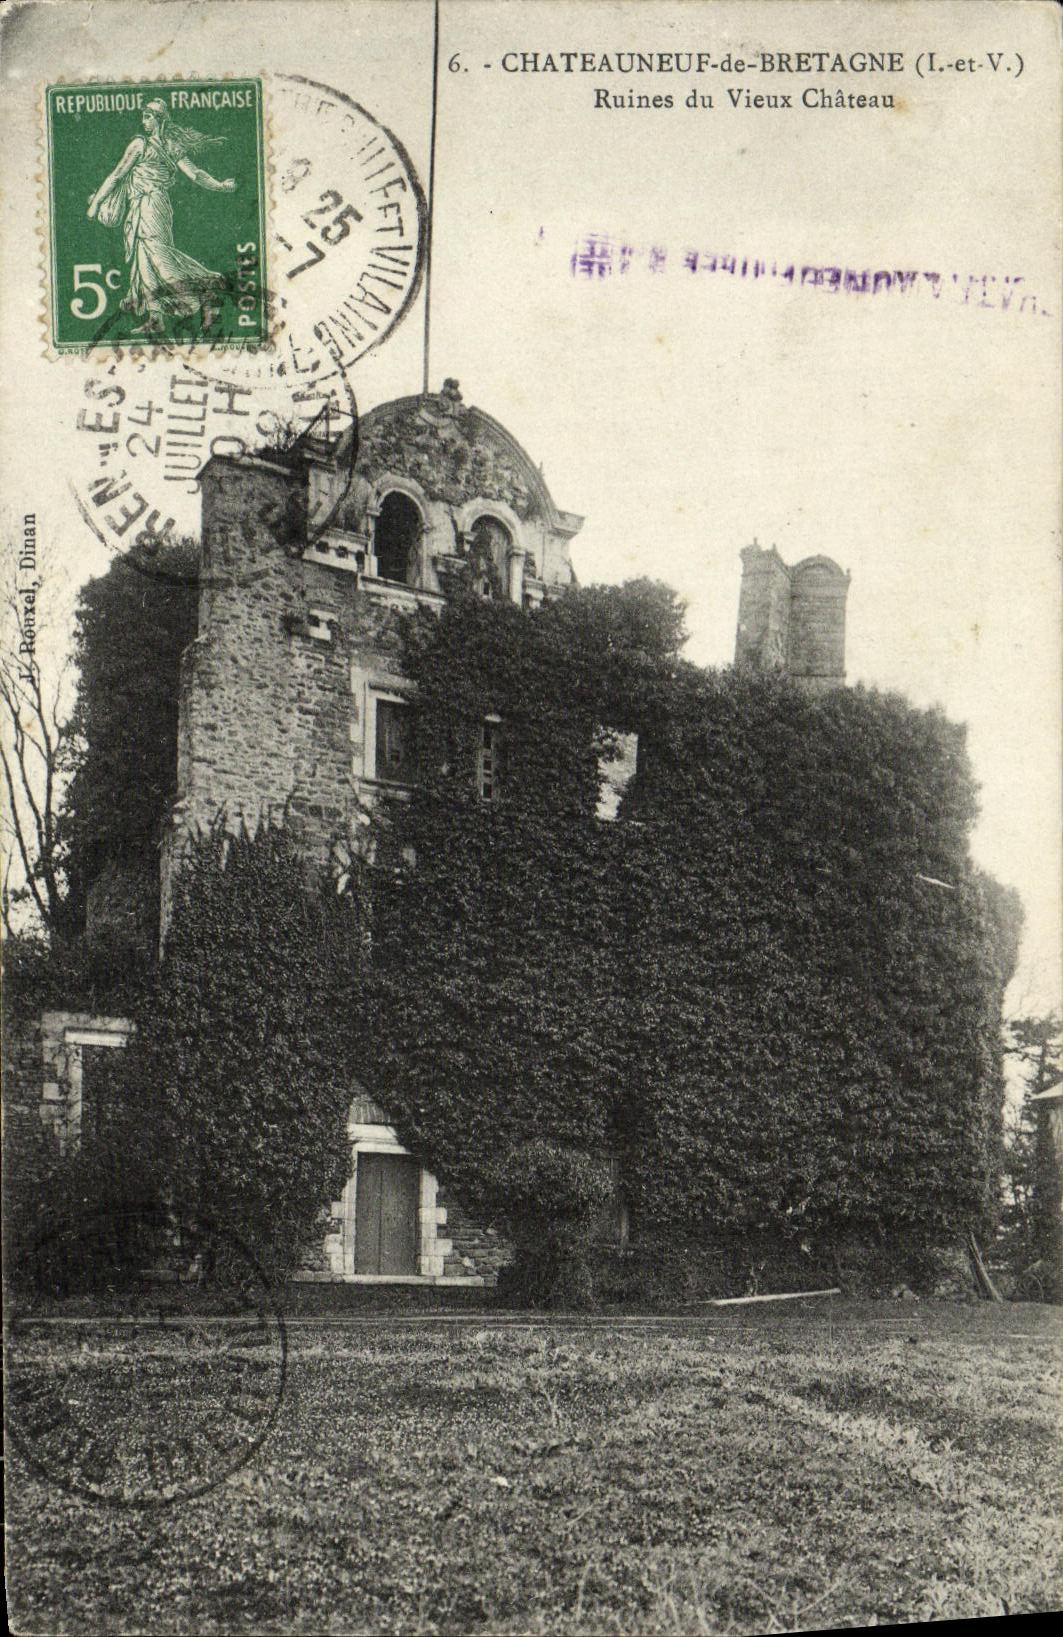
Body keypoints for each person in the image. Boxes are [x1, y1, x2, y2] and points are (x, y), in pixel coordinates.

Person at [86, 99, 236, 330]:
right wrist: (222, 186)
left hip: (152, 206)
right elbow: (119, 175)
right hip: (142, 207)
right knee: (144, 262)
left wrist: (95, 205)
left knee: (160, 259)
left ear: (159, 119)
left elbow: (194, 174)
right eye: (143, 116)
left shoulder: (144, 145)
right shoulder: (160, 145)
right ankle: (156, 318)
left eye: (147, 116)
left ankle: (207, 296)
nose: (143, 121)